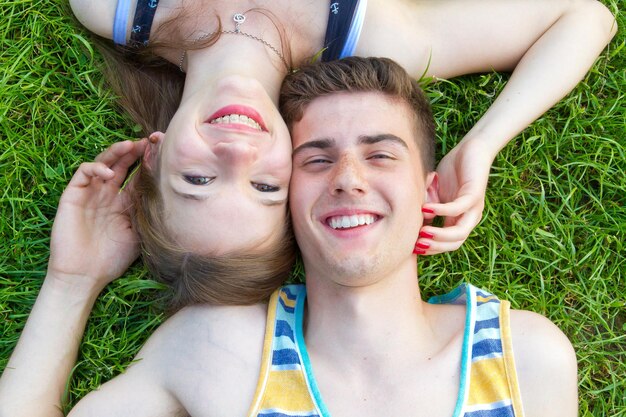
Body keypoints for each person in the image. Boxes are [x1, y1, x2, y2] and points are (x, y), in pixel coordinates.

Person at [0, 57, 577, 417]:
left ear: (429, 193)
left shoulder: (527, 359)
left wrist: (481, 146)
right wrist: (71, 282)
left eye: (380, 155)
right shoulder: (216, 350)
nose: (349, 180)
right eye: (317, 161)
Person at [66, 0, 616, 300]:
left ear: (154, 156)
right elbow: (584, 17)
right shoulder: (374, 33)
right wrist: (481, 144)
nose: (236, 154)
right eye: (264, 187)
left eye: (198, 179)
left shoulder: (112, 7)